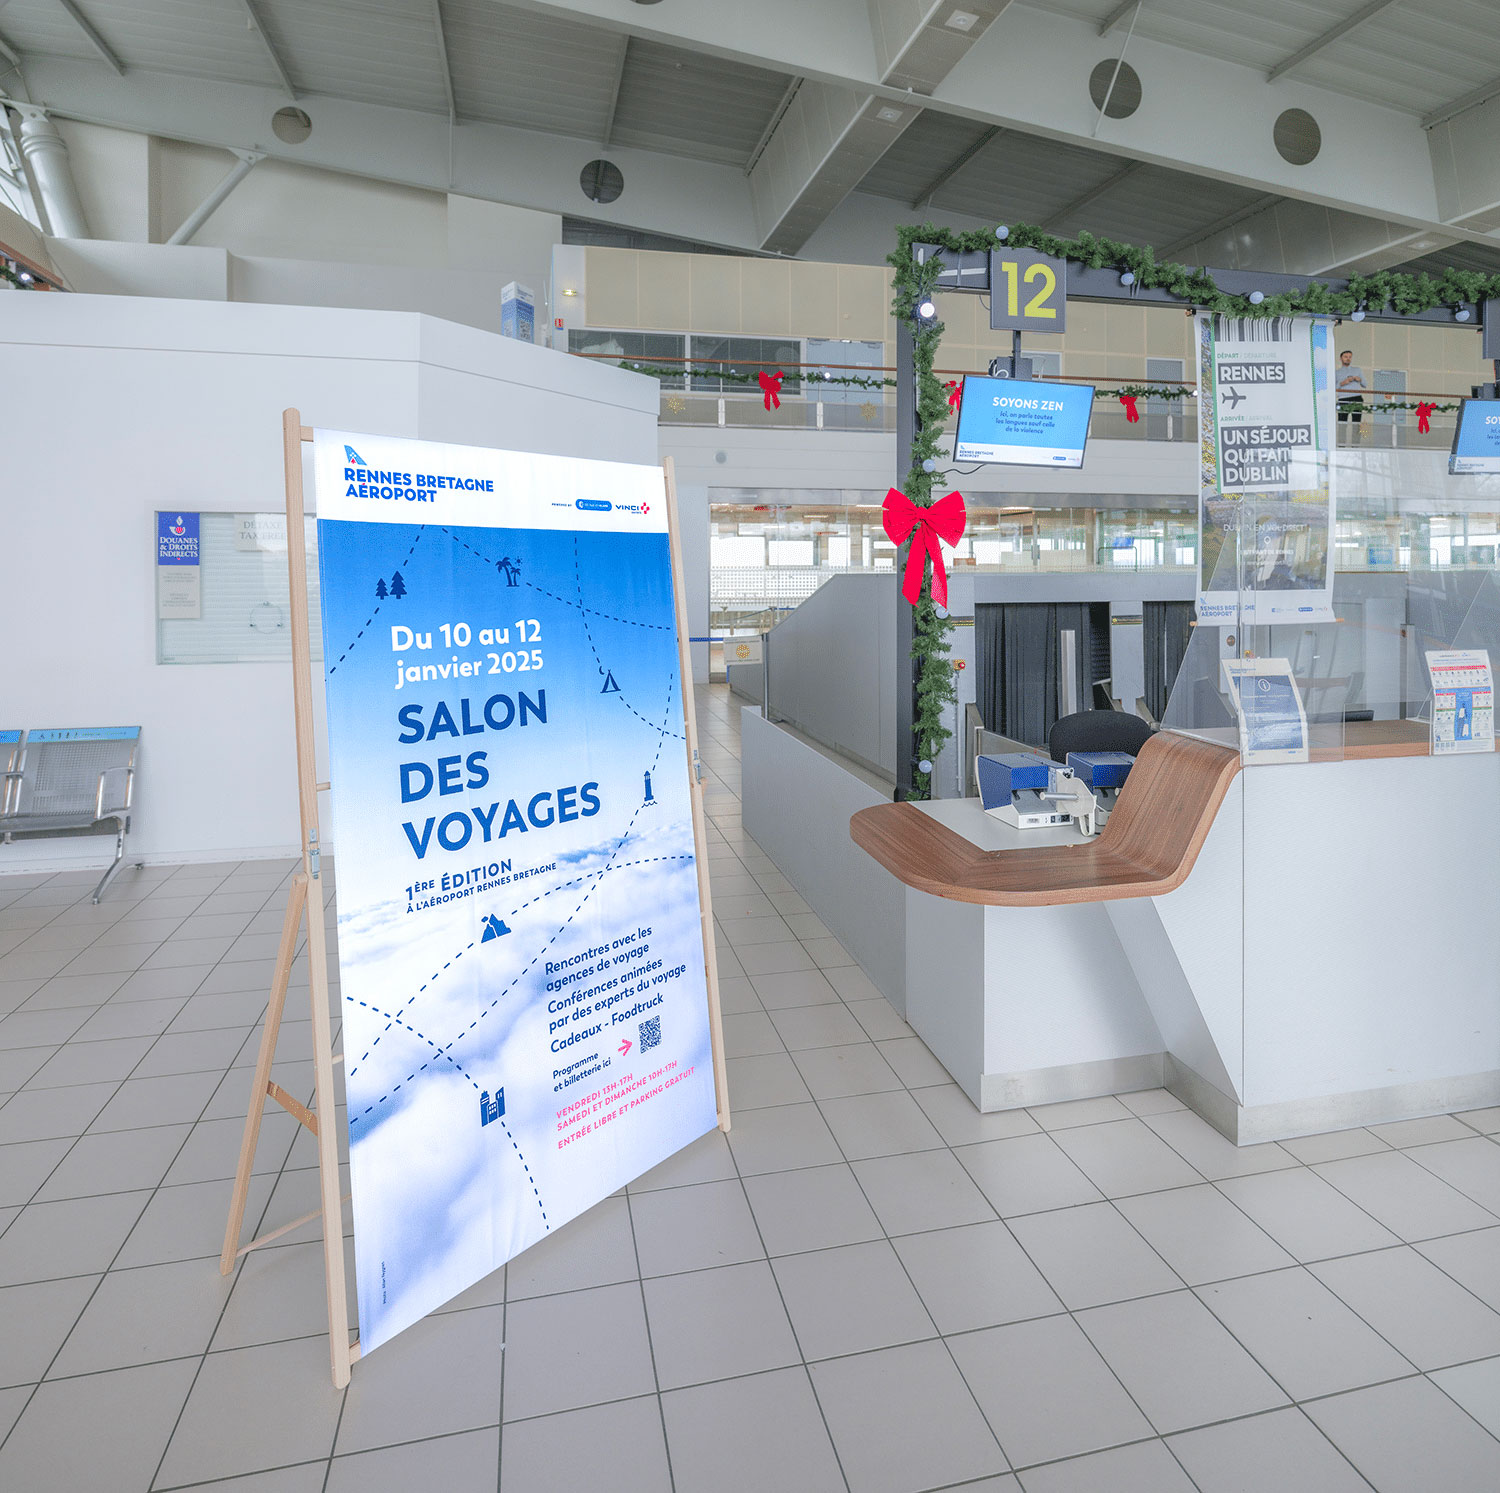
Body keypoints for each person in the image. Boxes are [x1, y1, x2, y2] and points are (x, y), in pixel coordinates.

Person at [1336, 350, 1368, 435]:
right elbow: (1333, 387)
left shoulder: (1357, 370)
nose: (1348, 359)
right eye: (1346, 357)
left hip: (1356, 397)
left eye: (1350, 357)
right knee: (1342, 423)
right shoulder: (1336, 372)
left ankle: (1356, 442)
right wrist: (1343, 383)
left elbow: (1365, 384)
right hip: (1343, 399)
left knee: (1356, 423)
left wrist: (1359, 379)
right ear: (1341, 358)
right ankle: (1341, 442)